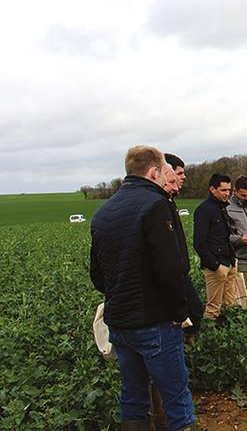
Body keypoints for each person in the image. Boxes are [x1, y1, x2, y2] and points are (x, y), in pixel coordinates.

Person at [90, 145, 197, 430]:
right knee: (177, 400)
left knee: (134, 397)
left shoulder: (103, 213)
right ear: (153, 172)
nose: (167, 179)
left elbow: (98, 277)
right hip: (155, 322)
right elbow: (172, 269)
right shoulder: (156, 205)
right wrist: (178, 312)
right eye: (165, 173)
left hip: (120, 323)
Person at [164, 153, 203, 344]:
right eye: (179, 173)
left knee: (195, 311)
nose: (184, 177)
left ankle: (189, 347)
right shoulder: (159, 205)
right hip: (174, 274)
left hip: (179, 271)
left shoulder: (170, 201)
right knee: (193, 311)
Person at [193, 173, 237, 322]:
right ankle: (210, 340)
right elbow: (199, 243)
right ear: (212, 189)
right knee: (213, 309)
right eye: (223, 190)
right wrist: (215, 265)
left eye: (228, 190)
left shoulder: (222, 208)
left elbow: (224, 238)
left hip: (229, 263)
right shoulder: (204, 210)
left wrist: (233, 261)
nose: (227, 194)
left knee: (229, 306)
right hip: (216, 267)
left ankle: (229, 336)